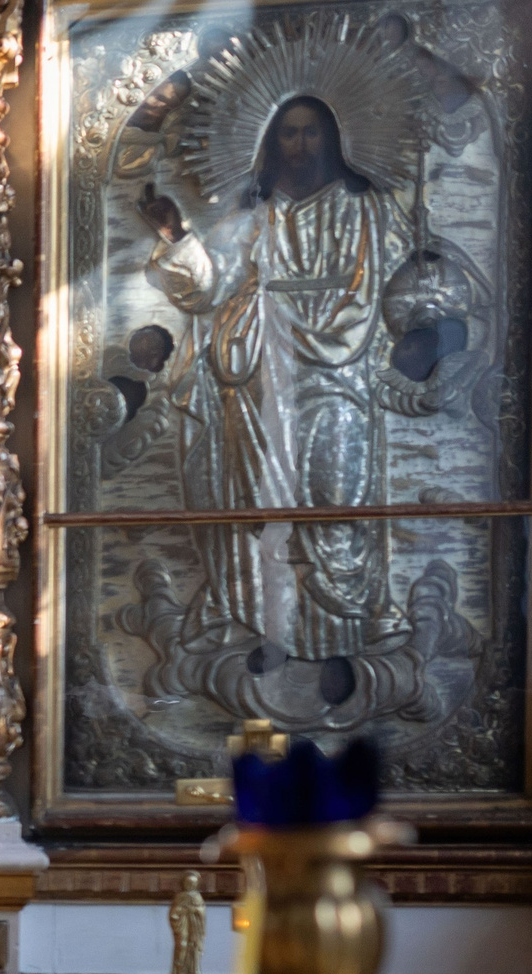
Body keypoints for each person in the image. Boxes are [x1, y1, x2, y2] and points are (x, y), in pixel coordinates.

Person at [136, 94, 411, 666]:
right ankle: (258, 620)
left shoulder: (365, 211)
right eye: (289, 132)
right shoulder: (254, 217)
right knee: (260, 503)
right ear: (271, 142)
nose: (301, 144)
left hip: (339, 375)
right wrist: (177, 236)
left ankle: (352, 623)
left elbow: (393, 290)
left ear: (333, 140)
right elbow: (207, 291)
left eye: (312, 132)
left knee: (338, 489)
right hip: (258, 376)